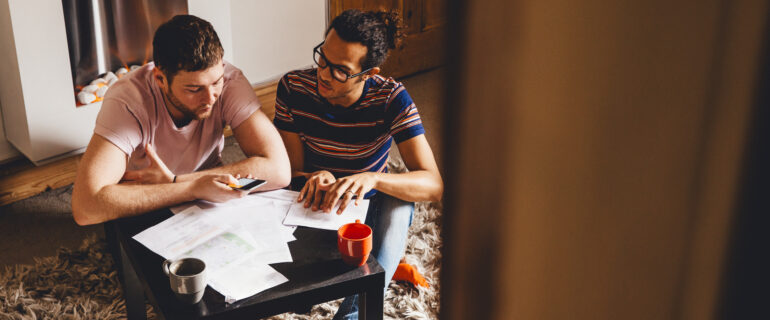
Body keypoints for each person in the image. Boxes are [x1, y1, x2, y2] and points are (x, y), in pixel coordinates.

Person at [273, 9, 443, 319]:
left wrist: (373, 180)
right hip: (320, 201)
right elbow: (288, 174)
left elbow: (433, 184)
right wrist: (313, 175)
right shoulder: (293, 88)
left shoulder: (392, 98)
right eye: (322, 58)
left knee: (398, 205)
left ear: (369, 73)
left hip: (374, 201)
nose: (323, 74)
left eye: (340, 70)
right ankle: (387, 267)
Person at [72, 15, 290, 226]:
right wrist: (190, 188)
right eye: (194, 89)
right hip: (143, 200)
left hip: (209, 197)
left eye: (216, 82)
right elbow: (86, 207)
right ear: (160, 79)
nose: (210, 98)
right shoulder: (128, 100)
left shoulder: (231, 81)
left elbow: (279, 169)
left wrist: (178, 181)